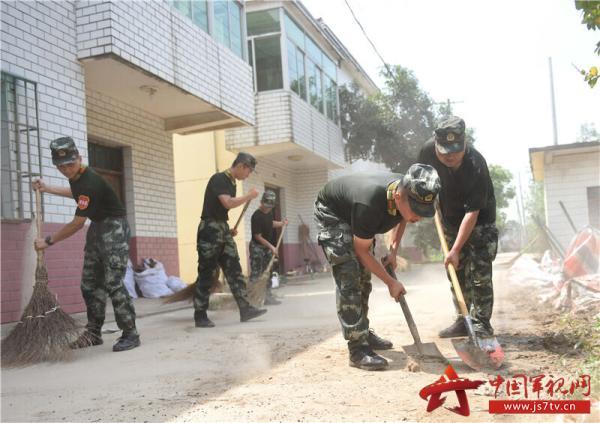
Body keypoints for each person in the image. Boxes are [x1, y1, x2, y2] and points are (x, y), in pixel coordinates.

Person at [315, 164, 441, 370]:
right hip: (333, 213)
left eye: (423, 211)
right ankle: (357, 349)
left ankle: (363, 332)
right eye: (417, 211)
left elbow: (404, 218)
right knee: (350, 273)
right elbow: (362, 251)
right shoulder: (370, 203)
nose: (418, 218)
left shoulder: (409, 188)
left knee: (365, 276)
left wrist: (393, 251)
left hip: (357, 210)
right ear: (399, 197)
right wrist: (391, 282)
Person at [33, 137, 140, 352]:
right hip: (97, 229)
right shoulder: (78, 178)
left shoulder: (90, 181)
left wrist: (48, 241)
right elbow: (77, 193)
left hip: (114, 230)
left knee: (113, 283)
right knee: (89, 284)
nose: (66, 170)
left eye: (70, 164)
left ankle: (130, 333)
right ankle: (93, 333)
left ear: (80, 158)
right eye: (61, 166)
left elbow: (77, 223)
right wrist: (48, 188)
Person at [417, 116, 498, 339]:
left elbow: (473, 213)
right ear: (435, 144)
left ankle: (481, 323)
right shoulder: (427, 153)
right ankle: (463, 320)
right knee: (456, 272)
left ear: (464, 143)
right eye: (444, 150)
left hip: (480, 222)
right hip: (450, 219)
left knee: (479, 274)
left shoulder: (476, 164)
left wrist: (455, 249)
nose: (449, 156)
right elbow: (417, 182)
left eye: (455, 150)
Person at [193, 152, 267, 327]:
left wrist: (226, 230)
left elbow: (223, 208)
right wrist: (248, 196)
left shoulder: (232, 182)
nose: (248, 175)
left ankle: (245, 308)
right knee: (207, 273)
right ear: (241, 166)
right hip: (210, 230)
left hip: (221, 229)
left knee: (234, 269)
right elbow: (228, 203)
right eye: (248, 171)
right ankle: (200, 314)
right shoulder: (219, 178)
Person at [249, 190, 288, 305]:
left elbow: (270, 223)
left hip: (266, 248)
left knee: (268, 272)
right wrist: (271, 247)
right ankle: (253, 298)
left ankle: (267, 296)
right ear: (262, 202)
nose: (268, 209)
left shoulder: (269, 213)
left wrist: (281, 223)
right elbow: (258, 236)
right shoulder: (256, 216)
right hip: (257, 247)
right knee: (257, 273)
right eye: (266, 206)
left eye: (270, 207)